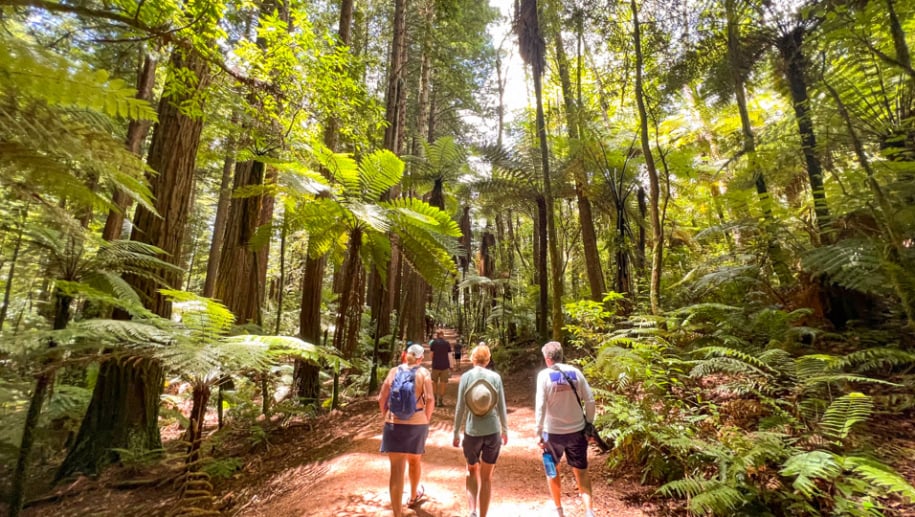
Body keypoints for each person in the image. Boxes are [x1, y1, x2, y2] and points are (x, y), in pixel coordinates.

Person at [534, 341, 597, 517]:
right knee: (582, 472)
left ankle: (559, 511)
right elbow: (590, 400)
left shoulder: (543, 376)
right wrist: (589, 424)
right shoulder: (576, 372)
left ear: (547, 359)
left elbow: (540, 406)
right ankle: (589, 512)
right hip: (577, 432)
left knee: (552, 470)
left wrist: (538, 432)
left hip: (552, 433)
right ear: (561, 355)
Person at [379, 344, 435, 516]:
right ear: (420, 358)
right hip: (417, 423)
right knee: (414, 461)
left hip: (394, 423)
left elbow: (381, 398)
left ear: (405, 355)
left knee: (396, 470)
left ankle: (397, 513)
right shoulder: (423, 373)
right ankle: (412, 497)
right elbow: (430, 399)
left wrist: (386, 415)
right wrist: (426, 418)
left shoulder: (393, 371)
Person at [453, 344, 508, 517]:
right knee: (486, 477)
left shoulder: (466, 377)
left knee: (471, 471)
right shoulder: (495, 378)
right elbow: (501, 406)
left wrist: (456, 431)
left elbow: (460, 407)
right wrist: (504, 429)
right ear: (488, 359)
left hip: (472, 431)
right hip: (492, 431)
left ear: (472, 359)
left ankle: (472, 511)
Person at [429, 330, 453, 406]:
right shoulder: (447, 343)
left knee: (434, 382)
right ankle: (441, 401)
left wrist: (434, 361)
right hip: (445, 366)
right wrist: (451, 366)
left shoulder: (433, 343)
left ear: (437, 335)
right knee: (443, 383)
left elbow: (431, 355)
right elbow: (449, 355)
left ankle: (435, 400)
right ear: (443, 335)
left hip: (435, 366)